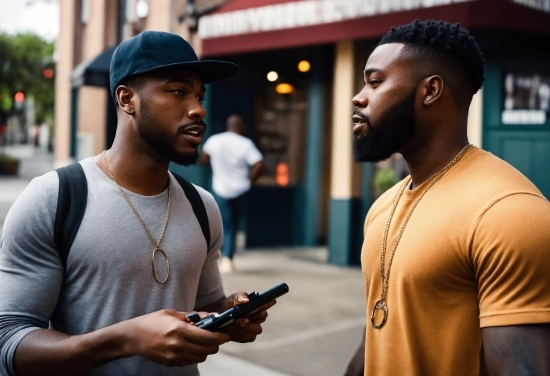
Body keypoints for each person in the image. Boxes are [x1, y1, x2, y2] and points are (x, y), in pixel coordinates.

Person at [0, 31, 276, 376]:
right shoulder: (55, 199)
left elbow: (204, 305)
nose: (198, 108)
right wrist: (125, 340)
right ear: (127, 99)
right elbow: (9, 342)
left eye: (199, 95)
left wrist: (228, 314)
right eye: (178, 92)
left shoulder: (203, 206)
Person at [349, 20, 550, 375]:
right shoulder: (384, 206)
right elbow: (377, 334)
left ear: (430, 91)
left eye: (375, 82)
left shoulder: (509, 213)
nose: (358, 96)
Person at [201, 115, 265, 273]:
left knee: (224, 224)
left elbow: (204, 158)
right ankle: (228, 258)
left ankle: (224, 258)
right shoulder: (246, 144)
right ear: (241, 126)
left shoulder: (215, 140)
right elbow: (259, 164)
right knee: (232, 225)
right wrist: (250, 180)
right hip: (241, 189)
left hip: (221, 189)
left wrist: (217, 166)